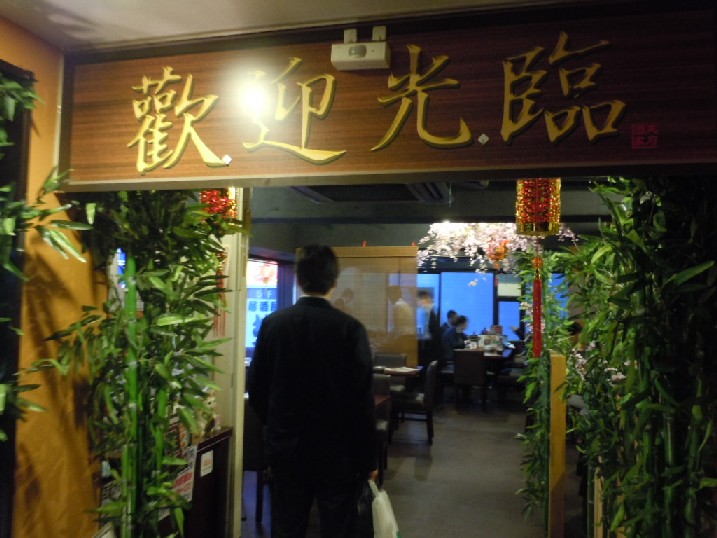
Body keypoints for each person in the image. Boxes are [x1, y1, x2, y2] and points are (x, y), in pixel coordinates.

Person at [248, 245, 378, 538]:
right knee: (338, 527)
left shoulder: (273, 325)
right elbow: (362, 401)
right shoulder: (350, 329)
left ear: (298, 278)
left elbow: (256, 388)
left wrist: (277, 426)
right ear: (334, 281)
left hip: (286, 448)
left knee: (286, 525)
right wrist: (368, 458)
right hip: (338, 451)